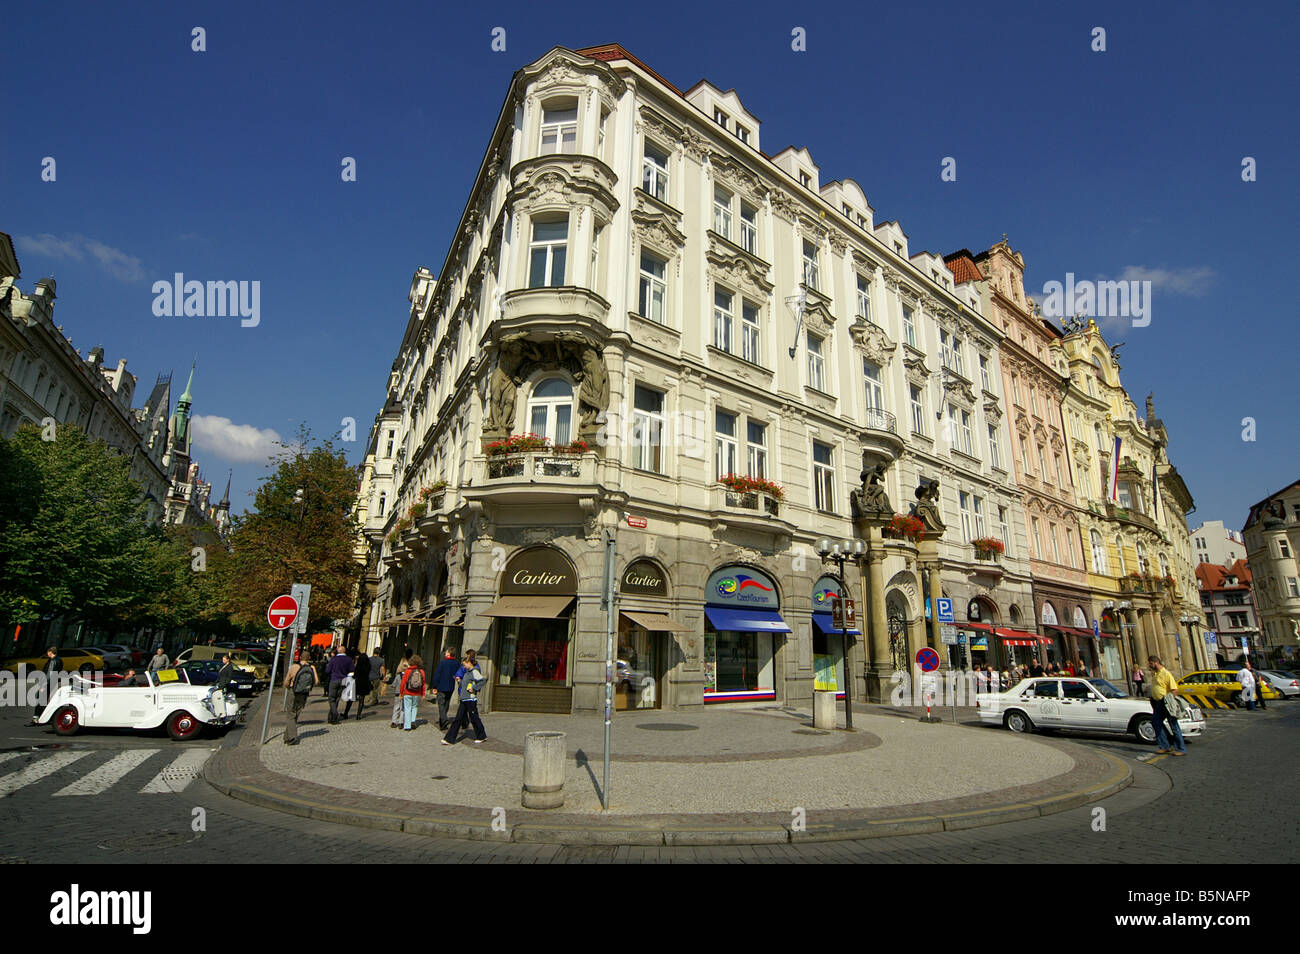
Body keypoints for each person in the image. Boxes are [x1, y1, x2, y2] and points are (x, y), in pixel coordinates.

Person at [442, 651, 487, 745]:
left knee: (474, 718)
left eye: (464, 664)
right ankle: (449, 739)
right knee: (458, 719)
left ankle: (482, 735)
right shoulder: (467, 672)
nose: (464, 666)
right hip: (464, 699)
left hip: (470, 699)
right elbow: (465, 684)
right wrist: (459, 681)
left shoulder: (474, 671)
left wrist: (474, 688)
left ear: (469, 663)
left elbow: (482, 680)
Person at [1147, 655, 1186, 756]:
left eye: (1150, 663)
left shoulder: (1166, 674)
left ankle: (1181, 749)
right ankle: (1164, 746)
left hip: (1165, 702)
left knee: (1174, 725)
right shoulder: (1155, 674)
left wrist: (1169, 702)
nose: (1149, 665)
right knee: (1156, 722)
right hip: (1157, 703)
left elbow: (1174, 690)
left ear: (1156, 662)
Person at [283, 653, 316, 745]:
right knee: (296, 714)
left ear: (300, 657)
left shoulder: (294, 666)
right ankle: (287, 736)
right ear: (309, 658)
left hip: (293, 691)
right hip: (304, 693)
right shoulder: (312, 668)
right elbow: (316, 681)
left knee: (290, 714)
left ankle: (292, 737)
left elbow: (286, 682)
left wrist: (289, 687)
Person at [32, 647, 63, 722]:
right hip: (52, 683)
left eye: (47, 652)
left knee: (40, 700)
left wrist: (43, 685)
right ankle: (43, 717)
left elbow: (49, 674)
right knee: (44, 700)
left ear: (50, 652)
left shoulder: (53, 661)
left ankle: (36, 718)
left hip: (47, 683)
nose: (47, 654)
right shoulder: (59, 660)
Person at [432, 648, 460, 730]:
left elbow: (437, 675)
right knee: (446, 704)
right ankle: (442, 723)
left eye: (446, 652)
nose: (445, 654)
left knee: (441, 704)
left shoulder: (442, 663)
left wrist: (435, 686)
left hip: (441, 687)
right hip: (450, 687)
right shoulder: (456, 664)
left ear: (449, 654)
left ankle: (444, 720)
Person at [325, 646, 353, 725]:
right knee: (337, 699)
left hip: (334, 679)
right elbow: (352, 671)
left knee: (331, 698)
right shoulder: (349, 660)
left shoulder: (334, 659)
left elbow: (327, 670)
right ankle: (332, 718)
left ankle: (334, 713)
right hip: (343, 680)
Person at [399, 654, 426, 731]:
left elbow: (403, 683)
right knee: (414, 707)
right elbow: (423, 684)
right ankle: (413, 721)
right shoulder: (422, 672)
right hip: (417, 693)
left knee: (407, 708)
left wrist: (401, 693)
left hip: (408, 692)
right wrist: (423, 694)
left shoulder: (408, 671)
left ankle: (407, 726)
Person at [344, 652, 370, 720]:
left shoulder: (358, 666)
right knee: (361, 700)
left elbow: (355, 675)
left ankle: (346, 713)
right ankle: (358, 715)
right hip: (364, 683)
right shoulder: (368, 666)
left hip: (356, 683)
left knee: (351, 699)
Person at [390, 647, 412, 728]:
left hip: (397, 692)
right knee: (403, 707)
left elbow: (393, 684)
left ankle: (394, 721)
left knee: (396, 706)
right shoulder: (409, 675)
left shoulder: (398, 675)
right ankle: (401, 722)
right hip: (406, 692)